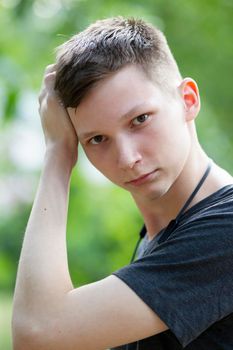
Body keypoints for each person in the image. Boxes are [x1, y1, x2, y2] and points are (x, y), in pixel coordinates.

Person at [12, 17, 233, 350]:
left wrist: (58, 154)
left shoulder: (224, 230)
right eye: (98, 138)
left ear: (188, 100)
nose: (127, 158)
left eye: (140, 119)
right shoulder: (160, 236)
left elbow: (37, 334)